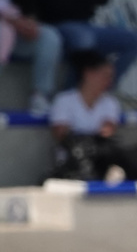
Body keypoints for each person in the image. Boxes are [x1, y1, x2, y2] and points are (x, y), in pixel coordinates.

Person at [47, 50, 128, 181]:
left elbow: (107, 131)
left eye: (110, 77)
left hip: (98, 162)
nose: (109, 81)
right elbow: (61, 134)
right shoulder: (63, 100)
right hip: (69, 164)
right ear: (88, 74)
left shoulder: (111, 103)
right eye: (105, 76)